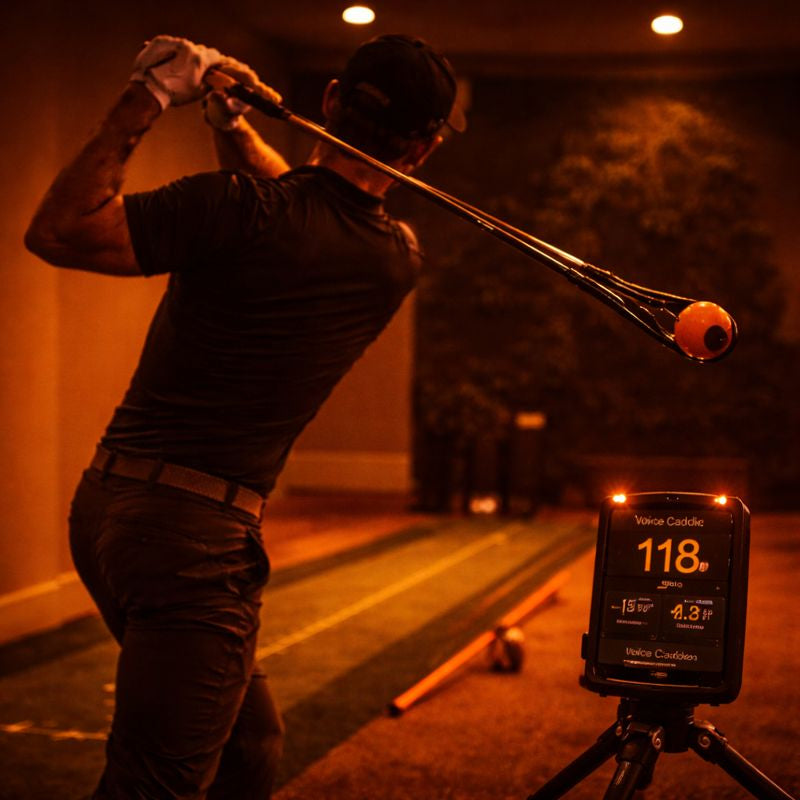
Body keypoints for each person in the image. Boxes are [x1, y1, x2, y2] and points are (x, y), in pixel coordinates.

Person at [25, 32, 463, 799]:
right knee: (155, 784)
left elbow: (66, 226)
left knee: (249, 742)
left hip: (106, 511)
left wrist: (152, 97)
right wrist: (229, 126)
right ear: (425, 149)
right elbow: (304, 209)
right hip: (193, 544)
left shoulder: (235, 209)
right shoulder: (395, 257)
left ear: (330, 101)